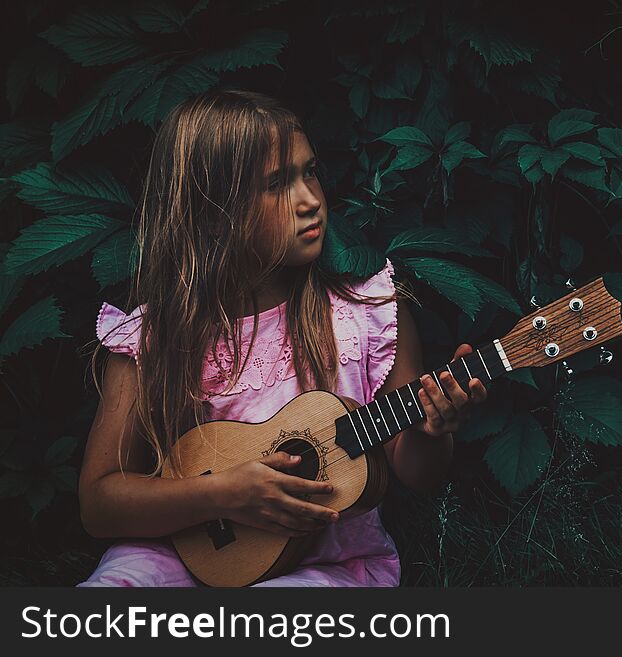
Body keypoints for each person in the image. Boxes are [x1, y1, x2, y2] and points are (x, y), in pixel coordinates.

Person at [76, 89, 489, 587]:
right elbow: (100, 504)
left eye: (310, 171)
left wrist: (431, 431)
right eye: (277, 184)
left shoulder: (367, 311)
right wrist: (223, 495)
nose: (311, 200)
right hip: (180, 551)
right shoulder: (158, 335)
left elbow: (416, 473)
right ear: (211, 213)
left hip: (328, 567)